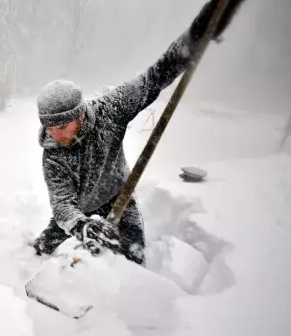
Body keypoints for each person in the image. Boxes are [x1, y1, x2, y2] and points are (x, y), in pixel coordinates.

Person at [32, 0, 246, 265]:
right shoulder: (52, 156)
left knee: (134, 256)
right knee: (42, 247)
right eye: (49, 128)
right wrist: (81, 226)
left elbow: (156, 75)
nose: (55, 134)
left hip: (117, 195)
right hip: (80, 205)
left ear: (79, 115)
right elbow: (63, 204)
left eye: (61, 126)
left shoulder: (109, 111)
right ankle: (35, 256)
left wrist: (198, 34)